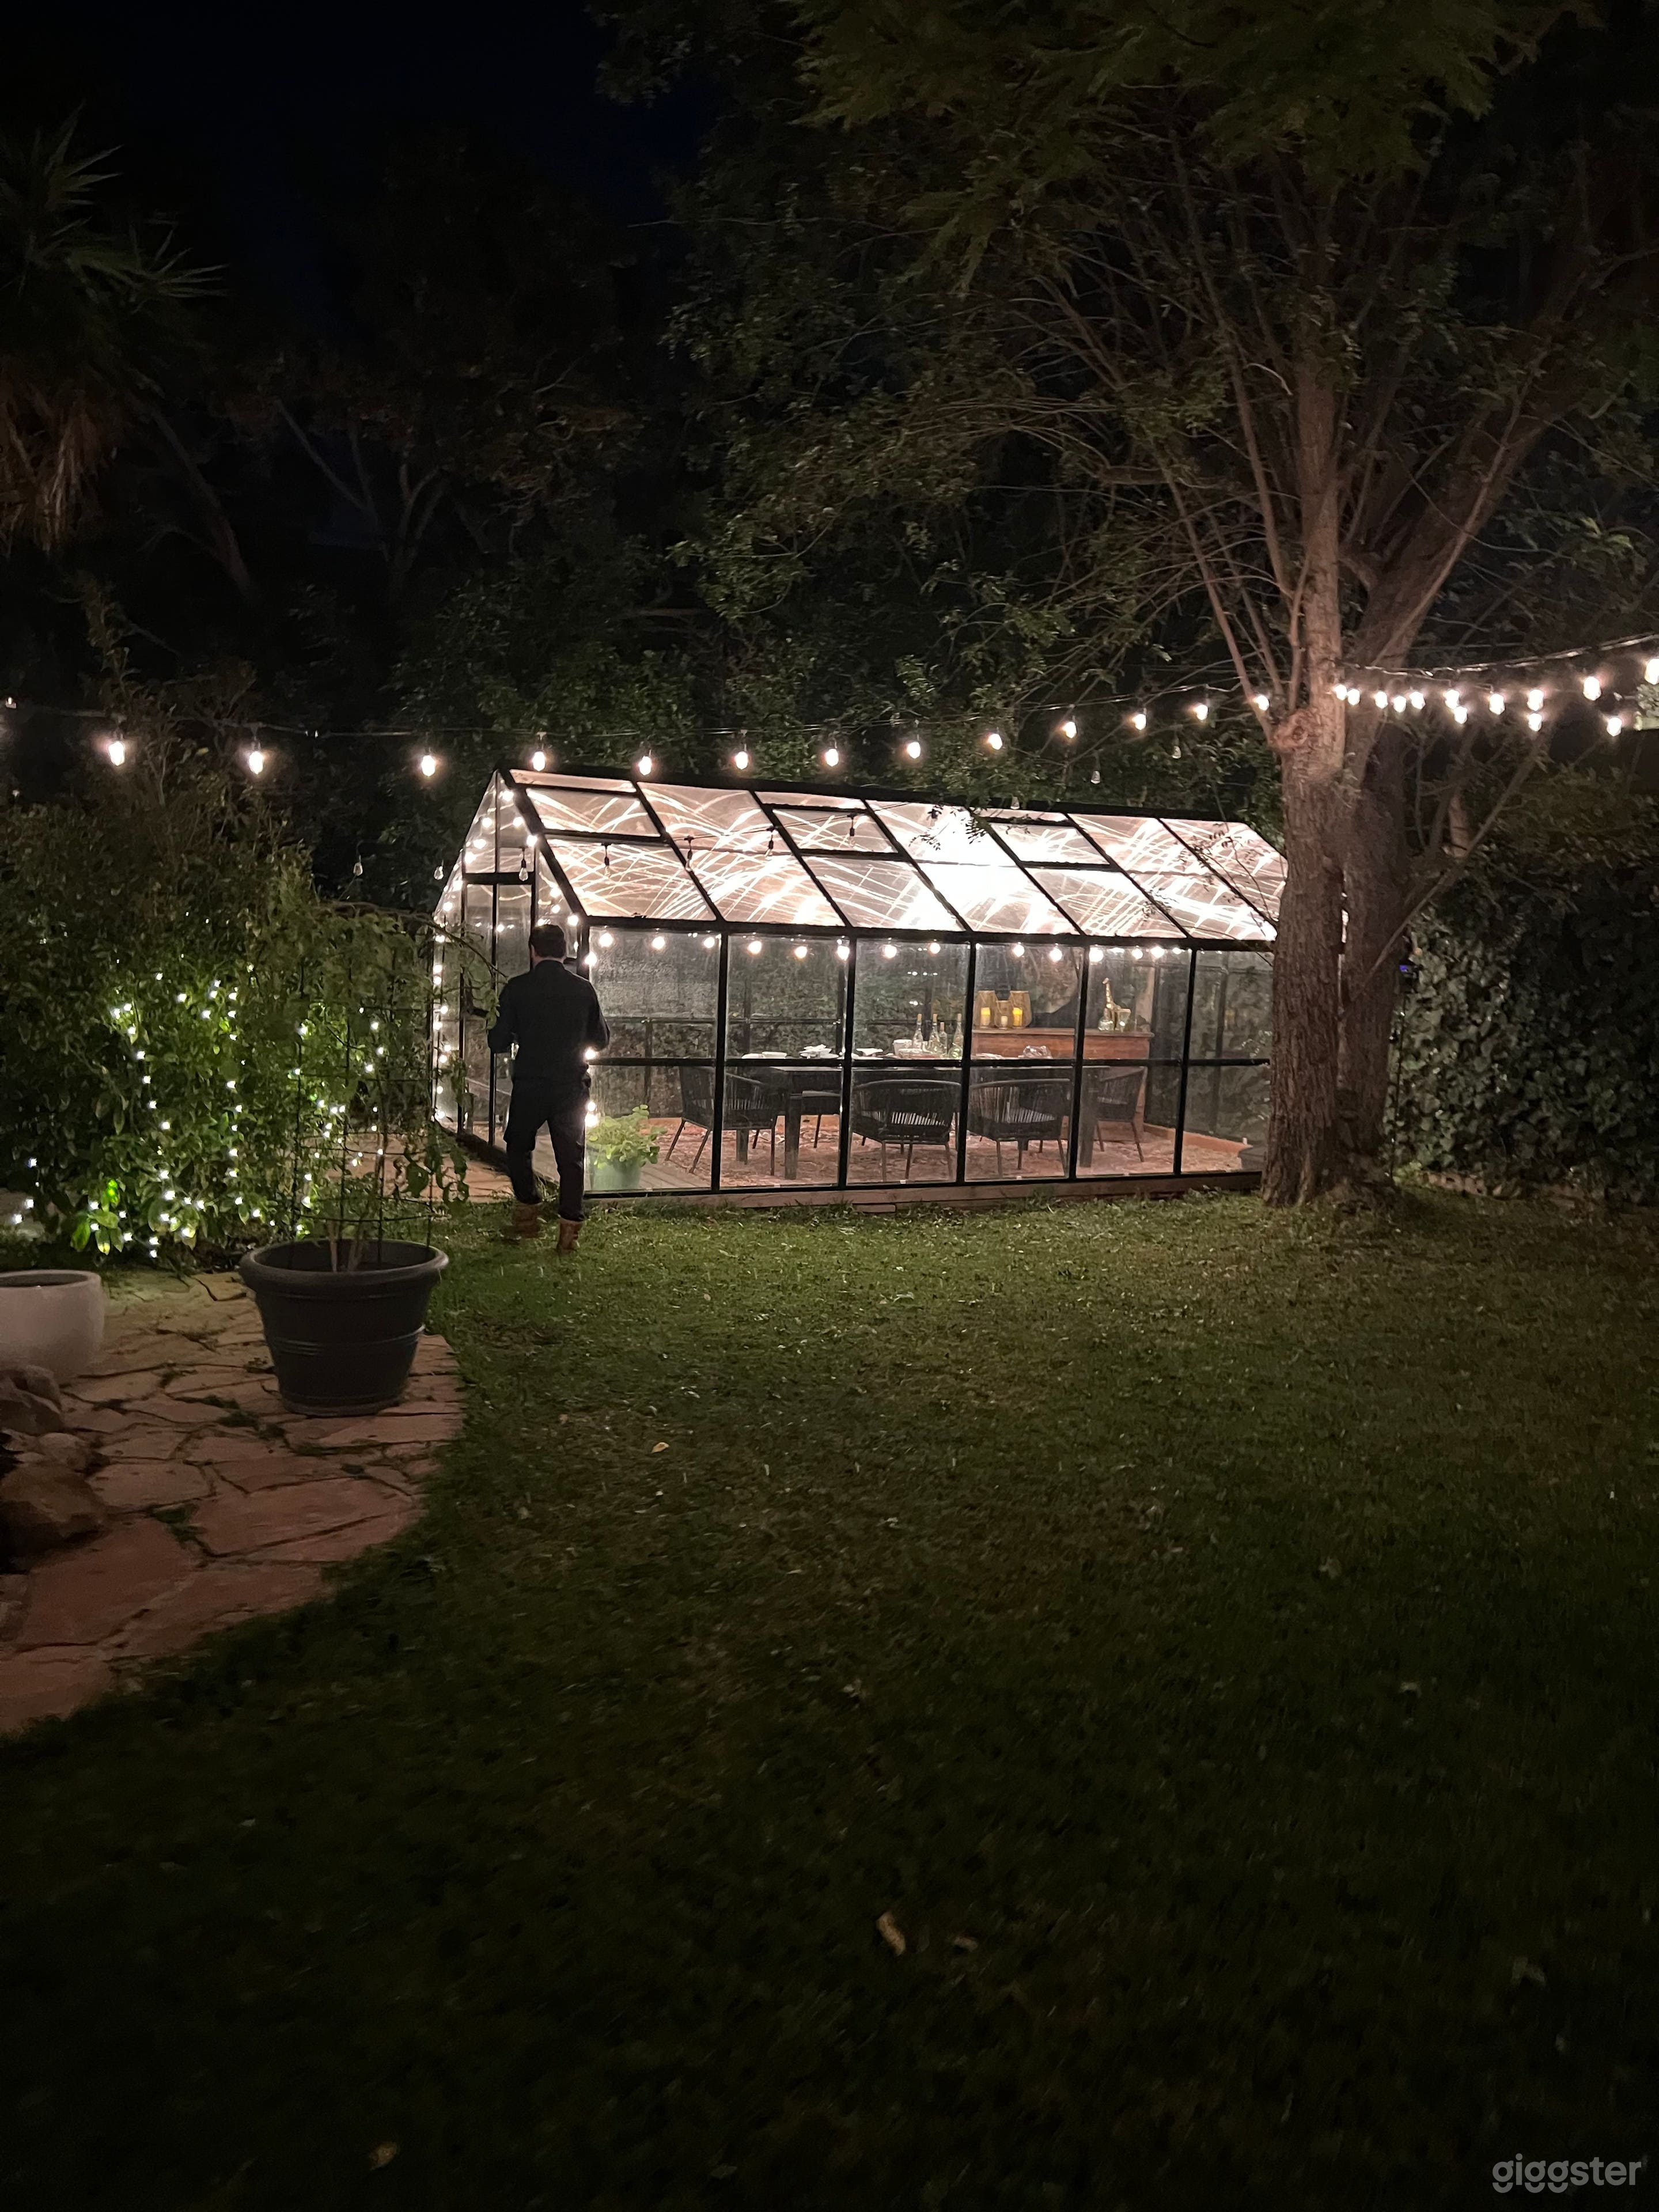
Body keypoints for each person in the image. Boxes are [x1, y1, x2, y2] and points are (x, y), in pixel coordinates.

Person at [487, 923, 610, 1251]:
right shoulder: (584, 989)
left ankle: (528, 1211)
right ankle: (569, 1232)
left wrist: (515, 1034)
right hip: (571, 1084)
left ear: (532, 950)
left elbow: (497, 1041)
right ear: (564, 949)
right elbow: (601, 1039)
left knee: (517, 1146)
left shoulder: (517, 988)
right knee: (570, 1158)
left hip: (530, 1084)